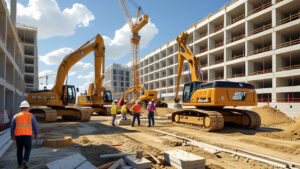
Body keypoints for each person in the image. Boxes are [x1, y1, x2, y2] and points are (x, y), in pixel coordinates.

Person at [10, 100, 38, 169]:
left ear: (21, 108)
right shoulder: (31, 115)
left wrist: (12, 135)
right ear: (27, 108)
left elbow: (12, 126)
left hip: (18, 136)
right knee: (28, 148)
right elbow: (35, 125)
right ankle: (25, 160)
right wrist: (36, 134)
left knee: (19, 150)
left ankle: (19, 163)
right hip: (27, 135)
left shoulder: (16, 116)